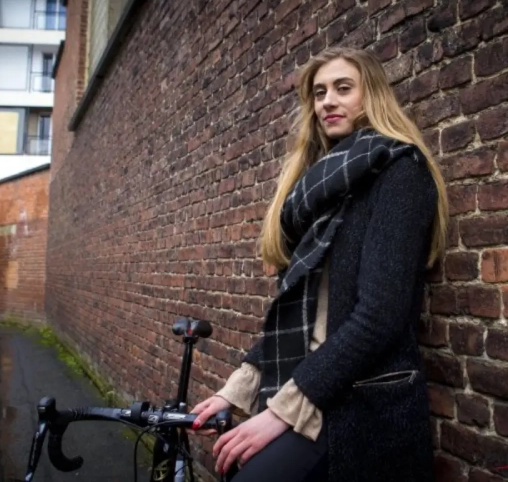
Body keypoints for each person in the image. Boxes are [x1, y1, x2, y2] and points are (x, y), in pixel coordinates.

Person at [190, 46, 449, 482]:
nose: (328, 101)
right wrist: (237, 391)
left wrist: (280, 413)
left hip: (355, 406)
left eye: (343, 88)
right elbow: (300, 318)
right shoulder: (320, 188)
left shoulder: (401, 172)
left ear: (372, 95)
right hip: (307, 388)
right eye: (320, 92)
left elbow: (380, 316)